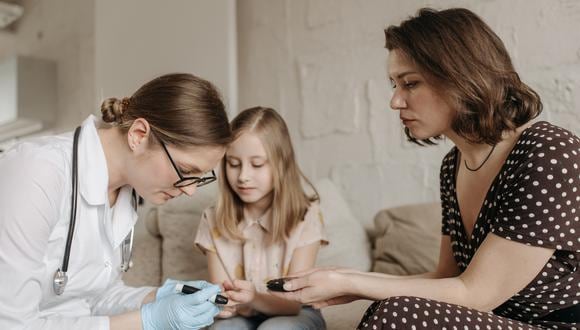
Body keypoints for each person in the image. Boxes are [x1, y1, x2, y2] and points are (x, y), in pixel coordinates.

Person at [269, 8, 580, 330]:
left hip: (554, 325)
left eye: (410, 83)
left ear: (462, 75)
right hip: (492, 320)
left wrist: (351, 284)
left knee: (399, 313)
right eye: (394, 84)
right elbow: (447, 277)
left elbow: (477, 293)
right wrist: (345, 279)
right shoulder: (453, 165)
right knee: (391, 307)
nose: (395, 101)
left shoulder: (548, 151)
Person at [0, 73, 233, 329]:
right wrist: (147, 321)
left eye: (199, 178)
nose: (190, 191)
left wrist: (160, 296)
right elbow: (12, 324)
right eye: (186, 171)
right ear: (138, 135)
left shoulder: (125, 192)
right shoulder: (38, 172)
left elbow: (96, 298)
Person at [194, 106, 328, 329]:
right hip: (240, 313)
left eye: (257, 164)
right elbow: (222, 295)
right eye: (234, 164)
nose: (243, 177)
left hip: (296, 313)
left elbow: (294, 304)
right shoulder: (213, 218)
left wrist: (254, 298)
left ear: (282, 164)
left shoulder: (306, 216)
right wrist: (222, 303)